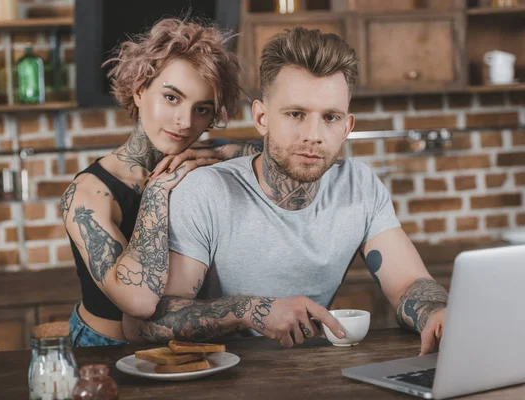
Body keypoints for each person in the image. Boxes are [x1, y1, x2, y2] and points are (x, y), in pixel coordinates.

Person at [121, 27, 449, 356]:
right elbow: (144, 324)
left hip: (312, 375)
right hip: (218, 380)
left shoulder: (360, 187)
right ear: (262, 117)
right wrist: (252, 310)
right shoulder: (207, 191)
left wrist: (436, 312)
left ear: (347, 127)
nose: (313, 135)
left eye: (330, 117)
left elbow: (408, 284)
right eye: (296, 114)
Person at [61, 17, 262, 347]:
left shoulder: (194, 157)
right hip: (104, 352)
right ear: (140, 91)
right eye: (172, 98)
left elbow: (277, 157)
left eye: (201, 109)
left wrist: (221, 153)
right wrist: (155, 192)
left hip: (178, 345)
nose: (185, 122)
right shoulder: (89, 194)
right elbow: (139, 302)